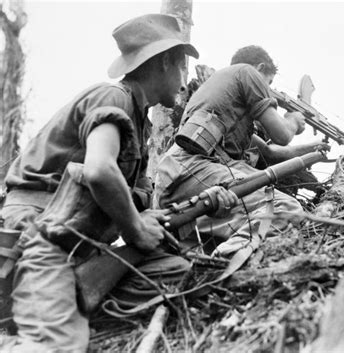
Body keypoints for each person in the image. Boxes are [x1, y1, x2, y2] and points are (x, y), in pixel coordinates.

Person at [0, 14, 237, 351]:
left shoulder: (138, 124)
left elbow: (138, 212)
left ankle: (66, 300)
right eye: (183, 68)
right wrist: (136, 230)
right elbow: (98, 170)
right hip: (33, 234)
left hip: (72, 244)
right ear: (166, 63)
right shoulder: (112, 98)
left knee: (176, 270)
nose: (185, 82)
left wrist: (204, 203)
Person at [155, 45, 328, 256]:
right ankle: (230, 264)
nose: (268, 89)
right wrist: (292, 121)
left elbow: (270, 152)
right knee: (285, 209)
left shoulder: (223, 101)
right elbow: (282, 135)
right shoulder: (247, 72)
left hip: (177, 178)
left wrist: (312, 149)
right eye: (269, 83)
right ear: (260, 68)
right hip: (195, 167)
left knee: (205, 246)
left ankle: (213, 266)